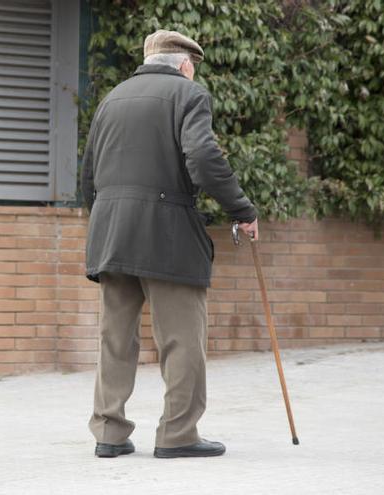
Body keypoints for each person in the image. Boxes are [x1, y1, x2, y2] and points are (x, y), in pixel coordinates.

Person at [80, 29, 259, 459]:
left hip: (110, 232)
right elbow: (202, 157)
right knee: (181, 338)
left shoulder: (113, 97)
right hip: (167, 234)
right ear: (184, 64)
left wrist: (104, 220)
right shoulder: (188, 95)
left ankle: (110, 433)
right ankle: (178, 435)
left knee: (114, 339)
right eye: (192, 66)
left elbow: (88, 171)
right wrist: (242, 210)